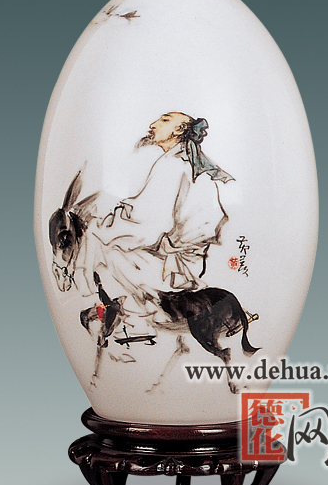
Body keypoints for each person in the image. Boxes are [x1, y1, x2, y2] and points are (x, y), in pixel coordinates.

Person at [75, 112, 233, 336]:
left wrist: (109, 228)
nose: (153, 124)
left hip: (176, 262)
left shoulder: (172, 165)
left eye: (165, 120)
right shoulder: (180, 161)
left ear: (179, 130)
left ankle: (136, 317)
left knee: (102, 246)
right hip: (179, 251)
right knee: (102, 237)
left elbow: (150, 226)